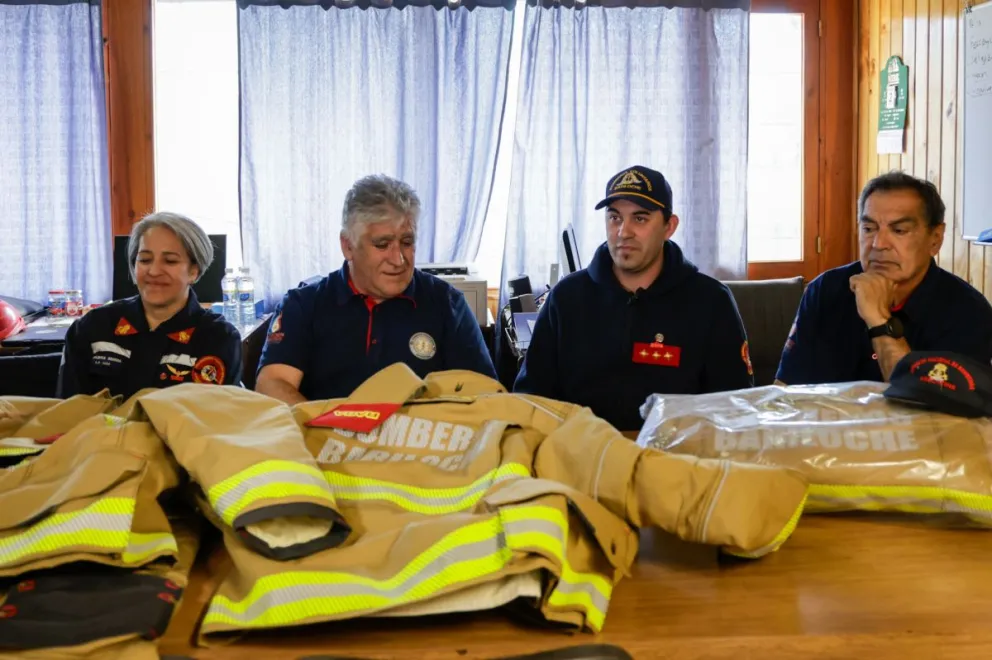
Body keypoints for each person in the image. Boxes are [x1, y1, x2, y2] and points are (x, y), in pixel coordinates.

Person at [512, 165, 754, 431]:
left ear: (669, 227)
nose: (623, 232)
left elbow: (733, 409)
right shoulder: (566, 298)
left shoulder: (711, 302)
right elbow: (530, 400)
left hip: (676, 460)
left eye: (640, 219)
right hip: (580, 457)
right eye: (615, 217)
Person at [255, 174, 497, 405]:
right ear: (348, 246)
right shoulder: (303, 305)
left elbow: (484, 395)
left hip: (423, 444)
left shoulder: (447, 304)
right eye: (382, 244)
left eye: (407, 242)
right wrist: (326, 431)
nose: (398, 259)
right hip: (324, 442)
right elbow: (272, 385)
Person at [776, 171, 992, 385]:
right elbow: (786, 389)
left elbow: (930, 405)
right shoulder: (826, 289)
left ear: (935, 240)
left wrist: (879, 321)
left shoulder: (967, 311)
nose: (878, 244)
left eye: (899, 230)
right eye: (869, 229)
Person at [57, 212, 243, 400]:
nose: (153, 271)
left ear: (194, 271)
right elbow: (67, 411)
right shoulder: (92, 327)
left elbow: (215, 419)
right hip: (97, 429)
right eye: (145, 260)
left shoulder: (218, 337)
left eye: (170, 261)